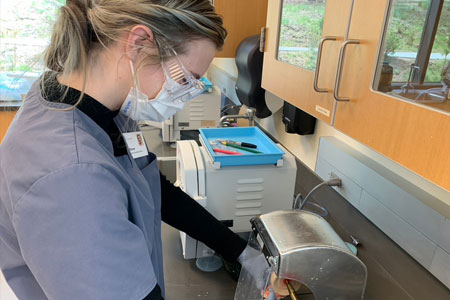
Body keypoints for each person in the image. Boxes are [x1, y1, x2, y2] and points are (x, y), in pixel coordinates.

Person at [0, 0, 275, 299]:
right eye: (185, 79)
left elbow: (150, 183)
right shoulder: (70, 178)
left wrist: (239, 252)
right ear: (139, 43)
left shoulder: (96, 103)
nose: (185, 95)